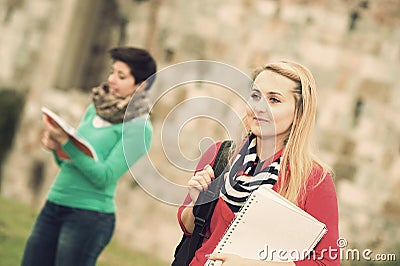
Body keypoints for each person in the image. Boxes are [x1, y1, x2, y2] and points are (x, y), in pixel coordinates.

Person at [177, 61, 339, 265]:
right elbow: (190, 228)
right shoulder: (220, 154)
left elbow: (326, 261)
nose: (259, 107)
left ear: (299, 112)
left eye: (274, 100)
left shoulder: (314, 180)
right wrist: (196, 202)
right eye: (255, 96)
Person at [21, 47, 156, 266]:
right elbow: (69, 163)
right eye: (112, 72)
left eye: (121, 76)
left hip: (88, 217)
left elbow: (105, 176)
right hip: (54, 204)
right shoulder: (95, 109)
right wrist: (57, 148)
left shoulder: (139, 127)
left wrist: (67, 144)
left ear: (141, 85)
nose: (111, 79)